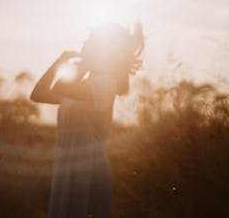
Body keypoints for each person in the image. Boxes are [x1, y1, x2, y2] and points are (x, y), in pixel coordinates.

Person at [30, 22, 144, 218]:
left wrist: (83, 66)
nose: (83, 42)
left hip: (89, 169)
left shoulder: (105, 84)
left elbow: (61, 88)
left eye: (90, 40)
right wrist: (59, 62)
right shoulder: (85, 84)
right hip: (67, 165)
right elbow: (38, 94)